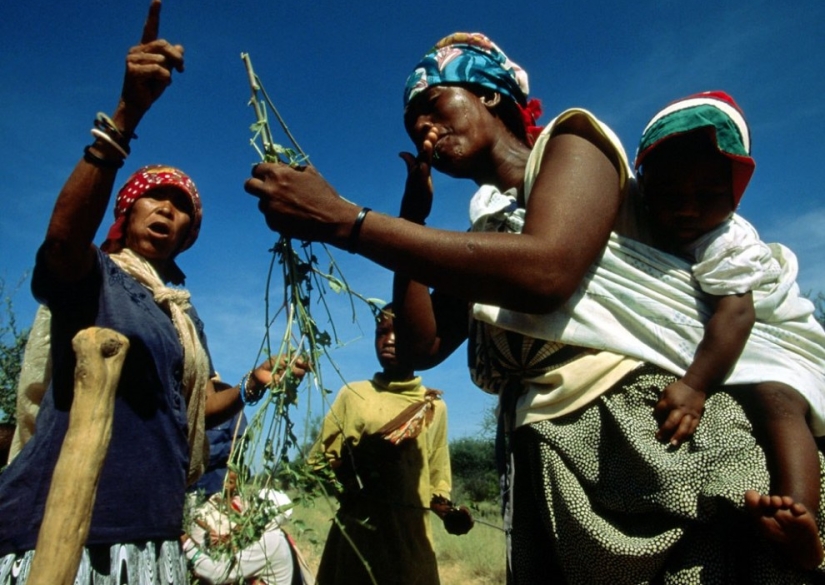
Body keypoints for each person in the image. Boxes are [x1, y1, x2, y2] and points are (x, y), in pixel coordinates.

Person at [243, 32, 825, 582]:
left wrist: (349, 222)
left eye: (434, 102)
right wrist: (410, 220)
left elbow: (548, 270)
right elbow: (422, 347)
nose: (422, 125)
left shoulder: (574, 145)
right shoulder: (486, 232)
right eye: (411, 121)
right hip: (544, 448)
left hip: (643, 428)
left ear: (489, 94)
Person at [0, 0, 290, 584]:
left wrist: (252, 387)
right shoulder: (96, 277)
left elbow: (185, 411)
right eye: (156, 197)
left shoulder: (179, 313)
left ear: (190, 234)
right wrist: (127, 115)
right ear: (125, 211)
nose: (168, 210)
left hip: (153, 529)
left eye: (183, 207)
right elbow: (60, 245)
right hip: (71, 535)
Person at [635, 91, 825, 570]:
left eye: (708, 196)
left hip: (776, 334)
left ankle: (799, 516)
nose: (688, 209)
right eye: (671, 196)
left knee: (777, 400)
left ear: (734, 195)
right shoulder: (648, 235)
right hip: (735, 334)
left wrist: (695, 386)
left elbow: (737, 315)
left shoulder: (727, 240)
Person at [308, 305, 472, 585]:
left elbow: (436, 484)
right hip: (358, 540)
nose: (390, 340)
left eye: (402, 333)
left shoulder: (433, 406)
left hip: (409, 543)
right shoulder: (353, 395)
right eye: (382, 332)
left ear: (421, 340)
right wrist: (351, 489)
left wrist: (450, 514)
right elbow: (319, 462)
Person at [183, 473, 312, 585]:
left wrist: (189, 547)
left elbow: (219, 574)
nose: (249, 511)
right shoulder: (272, 535)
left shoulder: (269, 541)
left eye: (255, 508)